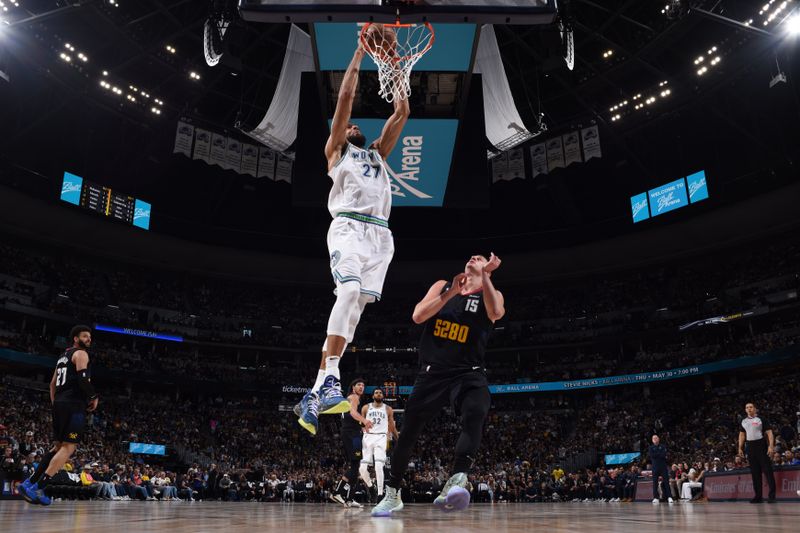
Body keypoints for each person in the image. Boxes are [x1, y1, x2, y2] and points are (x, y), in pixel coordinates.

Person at [296, 36, 410, 435]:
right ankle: (329, 380)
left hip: (381, 238)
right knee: (346, 295)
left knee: (355, 313)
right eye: (350, 125)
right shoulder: (337, 151)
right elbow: (345, 99)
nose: (355, 124)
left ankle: (312, 393)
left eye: (357, 125)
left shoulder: (378, 153)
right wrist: (361, 51)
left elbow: (402, 110)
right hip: (347, 227)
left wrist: (393, 61)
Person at [371, 253, 505, 517]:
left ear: (486, 269)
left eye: (480, 258)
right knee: (408, 432)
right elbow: (418, 316)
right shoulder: (443, 285)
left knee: (477, 409)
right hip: (432, 373)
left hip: (468, 372)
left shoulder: (492, 292)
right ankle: (392, 493)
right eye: (471, 256)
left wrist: (487, 277)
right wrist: (451, 292)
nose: (474, 257)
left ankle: (456, 480)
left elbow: (496, 312)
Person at [21, 325, 98, 505]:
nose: (89, 339)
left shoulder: (62, 357)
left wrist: (56, 403)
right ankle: (38, 488)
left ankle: (29, 482)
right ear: (76, 339)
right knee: (69, 448)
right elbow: (83, 379)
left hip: (59, 404)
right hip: (73, 405)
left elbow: (52, 384)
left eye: (90, 337)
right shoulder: (81, 354)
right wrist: (93, 396)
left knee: (56, 448)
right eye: (85, 336)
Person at [330, 378, 374, 507]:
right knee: (355, 465)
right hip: (351, 435)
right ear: (353, 387)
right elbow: (353, 413)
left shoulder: (350, 398)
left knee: (355, 465)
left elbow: (351, 418)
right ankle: (337, 492)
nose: (361, 387)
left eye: (363, 385)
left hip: (351, 432)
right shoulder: (354, 397)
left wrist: (362, 426)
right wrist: (365, 421)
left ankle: (349, 499)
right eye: (359, 385)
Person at [359, 387, 399, 502]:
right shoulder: (366, 407)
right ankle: (371, 487)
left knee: (378, 466)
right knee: (362, 468)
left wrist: (398, 439)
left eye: (380, 393)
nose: (378, 394)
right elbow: (361, 424)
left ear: (383, 396)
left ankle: (380, 494)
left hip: (381, 437)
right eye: (376, 392)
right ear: (373, 396)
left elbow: (391, 426)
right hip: (368, 437)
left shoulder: (388, 409)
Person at [738, 401, 776, 503]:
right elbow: (742, 435)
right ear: (745, 410)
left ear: (755, 409)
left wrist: (771, 446)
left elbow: (769, 433)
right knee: (755, 473)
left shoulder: (761, 419)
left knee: (767, 471)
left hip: (761, 445)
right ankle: (758, 496)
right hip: (750, 446)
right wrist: (740, 448)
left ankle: (772, 496)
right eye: (747, 407)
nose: (749, 409)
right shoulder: (743, 421)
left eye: (751, 407)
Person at [648, 434, 673, 503]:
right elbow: (652, 456)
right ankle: (656, 497)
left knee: (666, 482)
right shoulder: (650, 448)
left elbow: (663, 455)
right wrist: (659, 454)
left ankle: (669, 497)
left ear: (658, 439)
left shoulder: (663, 446)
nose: (655, 439)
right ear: (652, 440)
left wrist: (657, 454)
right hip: (655, 467)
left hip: (663, 467)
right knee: (655, 483)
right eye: (654, 438)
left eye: (656, 438)